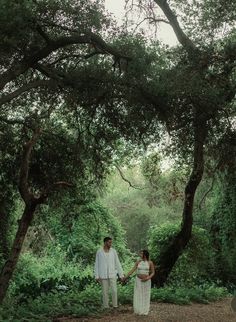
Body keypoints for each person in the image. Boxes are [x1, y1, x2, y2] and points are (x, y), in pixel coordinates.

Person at [94, 237, 124, 309]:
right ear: (105, 242)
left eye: (111, 242)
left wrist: (121, 274)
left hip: (112, 274)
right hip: (103, 275)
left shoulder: (113, 251)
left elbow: (117, 263)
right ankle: (106, 306)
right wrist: (97, 276)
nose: (111, 244)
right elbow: (96, 264)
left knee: (114, 291)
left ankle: (115, 305)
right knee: (105, 292)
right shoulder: (99, 251)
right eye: (109, 242)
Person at [124, 249, 155, 315]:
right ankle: (138, 310)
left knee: (145, 294)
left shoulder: (150, 262)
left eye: (141, 253)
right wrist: (125, 277)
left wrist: (147, 278)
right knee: (138, 294)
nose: (140, 255)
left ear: (145, 254)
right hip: (138, 280)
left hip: (146, 281)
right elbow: (132, 270)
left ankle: (144, 310)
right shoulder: (138, 262)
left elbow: (153, 272)